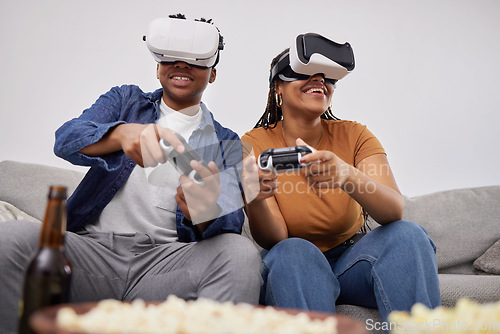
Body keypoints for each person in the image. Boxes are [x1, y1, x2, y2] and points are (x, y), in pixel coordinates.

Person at [0, 14, 261, 334]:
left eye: (194, 61)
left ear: (213, 73)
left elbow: (230, 227)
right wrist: (123, 135)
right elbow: (66, 140)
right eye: (171, 58)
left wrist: (204, 211)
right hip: (90, 254)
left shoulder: (226, 142)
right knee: (10, 238)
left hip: (165, 266)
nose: (182, 65)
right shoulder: (125, 101)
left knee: (240, 255)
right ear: (157, 67)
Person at [241, 33, 441, 323]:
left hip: (353, 262)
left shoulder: (356, 135)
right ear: (278, 88)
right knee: (293, 252)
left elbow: (393, 211)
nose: (319, 81)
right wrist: (257, 199)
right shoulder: (252, 144)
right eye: (304, 73)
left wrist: (346, 175)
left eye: (327, 77)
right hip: (294, 266)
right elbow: (276, 238)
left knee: (408, 234)